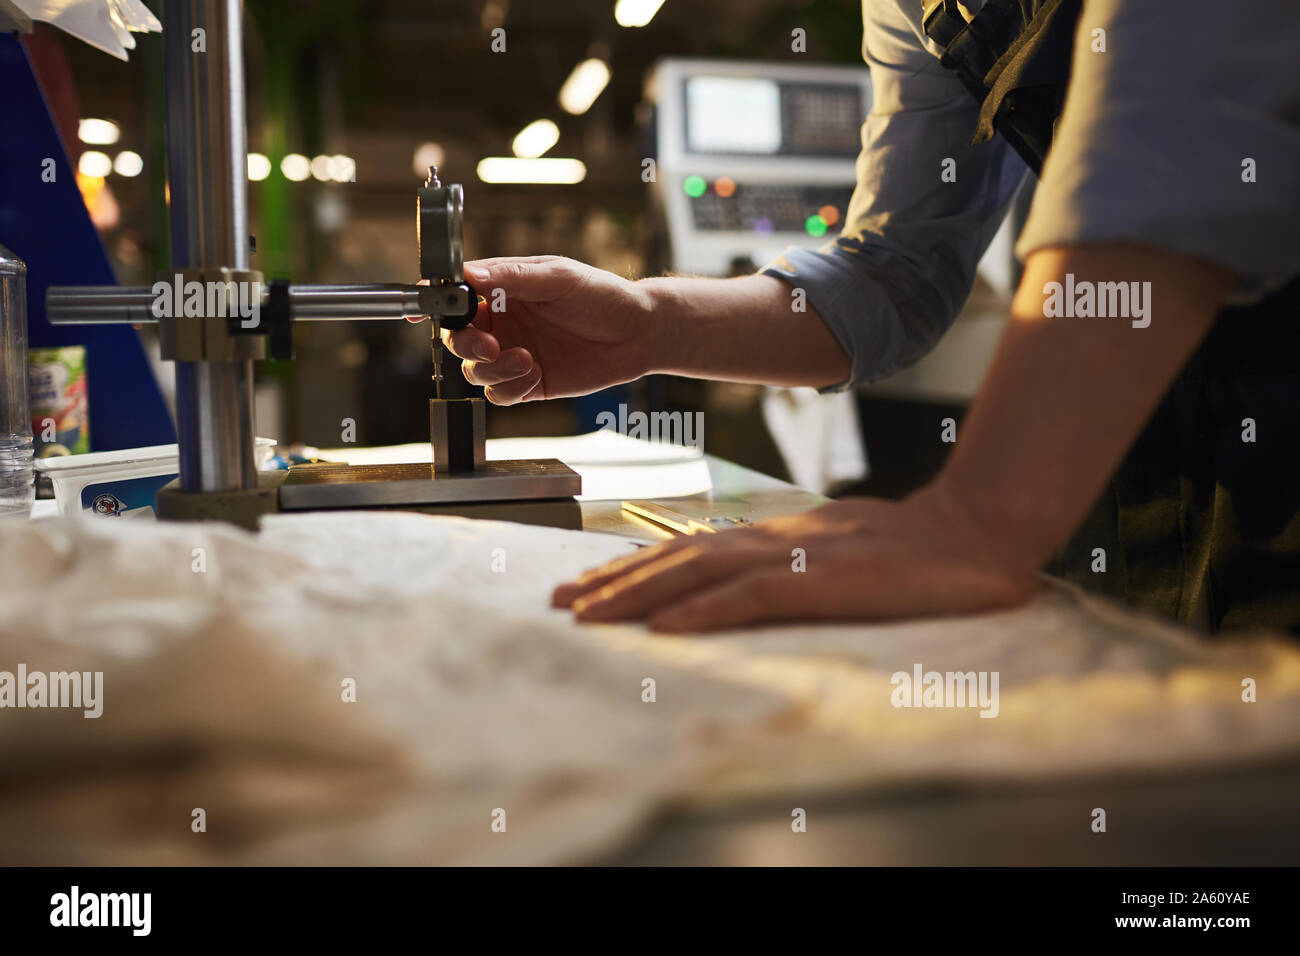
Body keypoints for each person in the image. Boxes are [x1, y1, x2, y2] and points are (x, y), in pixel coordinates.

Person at [420, 0, 1300, 634]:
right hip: (1132, 426)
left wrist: (980, 517)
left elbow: (1177, 134)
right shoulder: (915, 9)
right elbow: (896, 270)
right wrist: (651, 323)